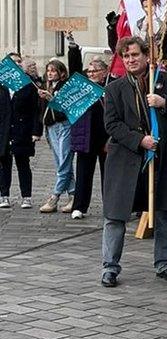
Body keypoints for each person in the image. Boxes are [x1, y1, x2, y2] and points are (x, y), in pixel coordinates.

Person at [100, 36, 167, 287]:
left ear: (146, 56)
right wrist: (139, 140)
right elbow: (111, 124)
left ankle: (164, 263)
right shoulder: (114, 88)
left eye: (135, 55)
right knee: (116, 215)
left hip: (163, 159)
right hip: (127, 161)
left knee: (164, 210)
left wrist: (165, 103)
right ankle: (110, 267)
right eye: (126, 56)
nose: (131, 60)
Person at [67, 50, 110, 219]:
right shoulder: (83, 87)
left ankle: (110, 206)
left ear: (104, 72)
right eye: (89, 71)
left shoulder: (111, 86)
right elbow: (74, 72)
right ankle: (79, 207)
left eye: (95, 71)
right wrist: (72, 49)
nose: (91, 74)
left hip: (107, 136)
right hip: (86, 135)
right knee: (84, 173)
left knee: (108, 175)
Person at [0, 53, 41, 209]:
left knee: (23, 163)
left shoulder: (28, 85)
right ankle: (4, 195)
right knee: (4, 164)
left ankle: (26, 196)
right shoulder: (1, 85)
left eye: (18, 62)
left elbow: (35, 110)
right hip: (4, 130)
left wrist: (36, 131)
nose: (16, 64)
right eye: (12, 62)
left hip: (22, 130)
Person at [36, 59, 75, 213]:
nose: (50, 73)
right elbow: (40, 111)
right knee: (61, 162)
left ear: (62, 73)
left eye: (53, 70)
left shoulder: (64, 86)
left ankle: (55, 196)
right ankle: (73, 195)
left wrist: (51, 99)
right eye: (49, 70)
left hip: (64, 126)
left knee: (64, 161)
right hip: (51, 128)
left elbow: (65, 109)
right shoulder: (46, 87)